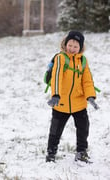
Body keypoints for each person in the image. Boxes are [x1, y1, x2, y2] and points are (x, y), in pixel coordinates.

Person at [45, 31, 99, 163]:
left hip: (79, 103)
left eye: (76, 46)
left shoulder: (83, 61)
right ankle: (51, 153)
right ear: (65, 44)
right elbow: (57, 77)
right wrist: (56, 95)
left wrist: (90, 96)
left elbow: (87, 81)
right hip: (60, 102)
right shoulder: (61, 58)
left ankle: (81, 153)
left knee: (83, 129)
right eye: (70, 45)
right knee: (55, 130)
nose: (72, 49)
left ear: (80, 48)